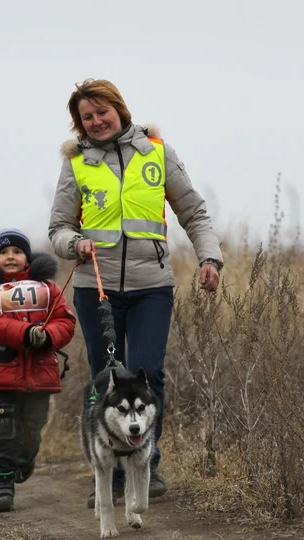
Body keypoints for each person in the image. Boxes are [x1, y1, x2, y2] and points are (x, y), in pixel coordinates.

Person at [49, 79, 223, 508]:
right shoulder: (76, 164)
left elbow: (194, 212)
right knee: (105, 378)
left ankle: (146, 462)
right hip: (97, 289)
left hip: (152, 287)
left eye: (101, 112)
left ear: (119, 109)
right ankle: (105, 470)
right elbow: (58, 230)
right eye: (86, 117)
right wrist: (76, 244)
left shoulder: (157, 153)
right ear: (80, 124)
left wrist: (209, 260)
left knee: (147, 372)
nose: (96, 121)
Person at [0, 229, 76, 512]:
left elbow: (65, 321)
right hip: (3, 374)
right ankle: (2, 486)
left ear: (27, 257)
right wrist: (26, 332)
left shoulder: (48, 288)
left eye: (17, 252)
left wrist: (49, 335)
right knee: (3, 432)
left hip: (40, 375)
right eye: (3, 253)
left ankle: (25, 459)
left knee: (33, 427)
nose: (10, 257)